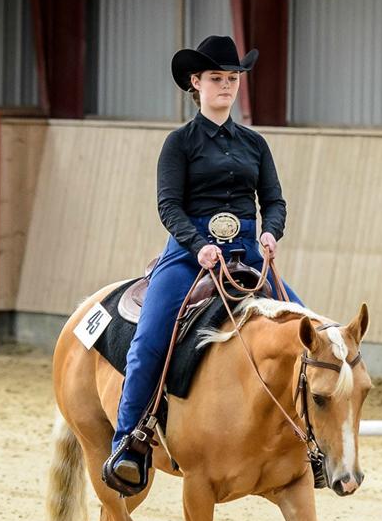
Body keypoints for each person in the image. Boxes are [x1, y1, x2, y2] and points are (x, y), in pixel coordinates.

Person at [103, 35, 303, 495]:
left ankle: (308, 447)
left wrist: (271, 232)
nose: (226, 86)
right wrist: (198, 246)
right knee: (149, 340)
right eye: (217, 78)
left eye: (233, 78)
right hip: (189, 252)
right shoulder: (179, 143)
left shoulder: (255, 143)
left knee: (308, 331)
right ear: (196, 82)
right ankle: (128, 444)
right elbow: (168, 205)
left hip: (248, 252)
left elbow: (274, 200)